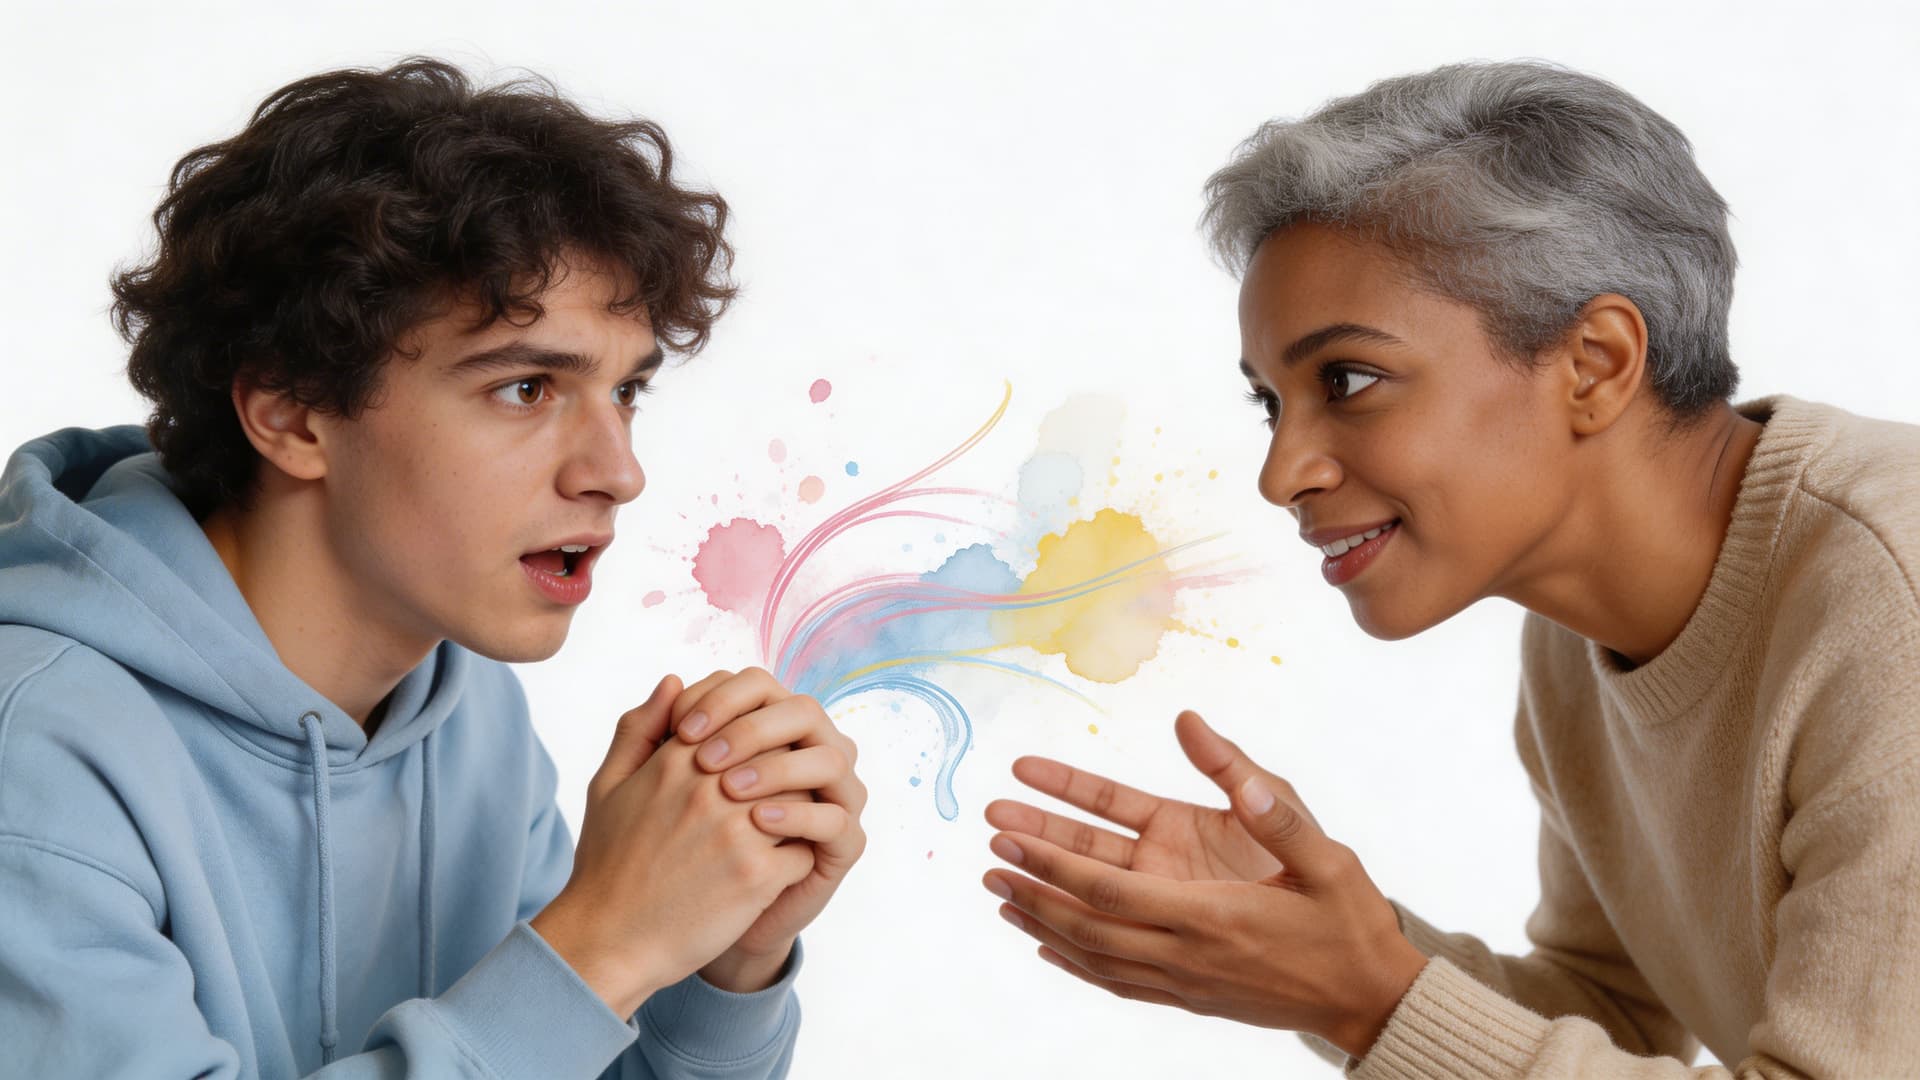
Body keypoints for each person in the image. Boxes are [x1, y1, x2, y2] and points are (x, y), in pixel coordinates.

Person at [980, 60, 1920, 1076]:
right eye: (1272, 403)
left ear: (1597, 364)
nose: (1282, 474)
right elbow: (1612, 1013)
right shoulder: (1575, 635)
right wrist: (1330, 939)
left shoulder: (1891, 595)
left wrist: (1366, 995)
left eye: (1349, 379)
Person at [0, 57, 866, 1078]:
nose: (618, 472)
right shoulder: (36, 754)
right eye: (527, 388)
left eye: (627, 392)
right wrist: (602, 947)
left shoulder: (466, 716)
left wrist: (718, 964)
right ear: (290, 413)